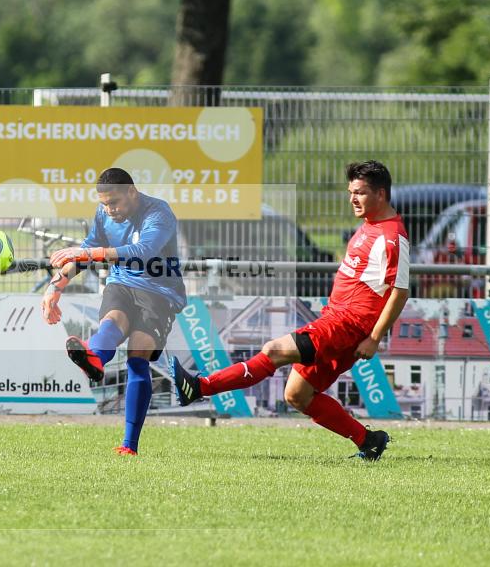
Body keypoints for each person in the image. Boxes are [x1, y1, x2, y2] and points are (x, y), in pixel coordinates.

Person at [172, 160, 409, 461]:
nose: (352, 199)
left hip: (347, 327)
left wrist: (374, 338)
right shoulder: (369, 226)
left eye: (359, 193)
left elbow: (400, 291)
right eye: (350, 192)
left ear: (381, 194)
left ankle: (199, 387)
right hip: (335, 321)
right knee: (297, 395)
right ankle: (368, 440)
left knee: (273, 350)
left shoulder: (392, 237)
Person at [41, 168, 186, 456]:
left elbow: (144, 250)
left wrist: (89, 254)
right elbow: (85, 251)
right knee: (112, 321)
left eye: (115, 202)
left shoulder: (159, 212)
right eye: (105, 203)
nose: (110, 209)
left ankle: (129, 445)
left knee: (137, 356)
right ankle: (93, 358)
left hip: (159, 292)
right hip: (120, 284)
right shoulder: (104, 213)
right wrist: (55, 287)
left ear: (132, 192)